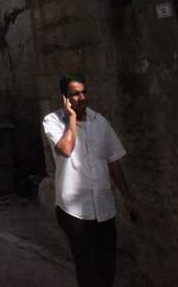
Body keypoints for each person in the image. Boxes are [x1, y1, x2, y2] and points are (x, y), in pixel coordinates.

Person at [42, 74, 136, 287]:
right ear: (64, 98)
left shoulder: (100, 122)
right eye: (75, 94)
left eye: (84, 92)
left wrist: (128, 197)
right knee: (86, 265)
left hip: (103, 207)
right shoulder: (52, 121)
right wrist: (72, 119)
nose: (81, 97)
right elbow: (66, 149)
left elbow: (113, 161)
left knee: (107, 264)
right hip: (73, 211)